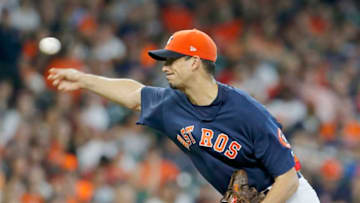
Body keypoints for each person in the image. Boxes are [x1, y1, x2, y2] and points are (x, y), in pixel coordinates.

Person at [48, 29, 320, 202]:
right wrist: (83, 80)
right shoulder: (171, 104)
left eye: (172, 60)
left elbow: (288, 181)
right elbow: (133, 94)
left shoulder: (247, 112)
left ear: (194, 62)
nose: (165, 68)